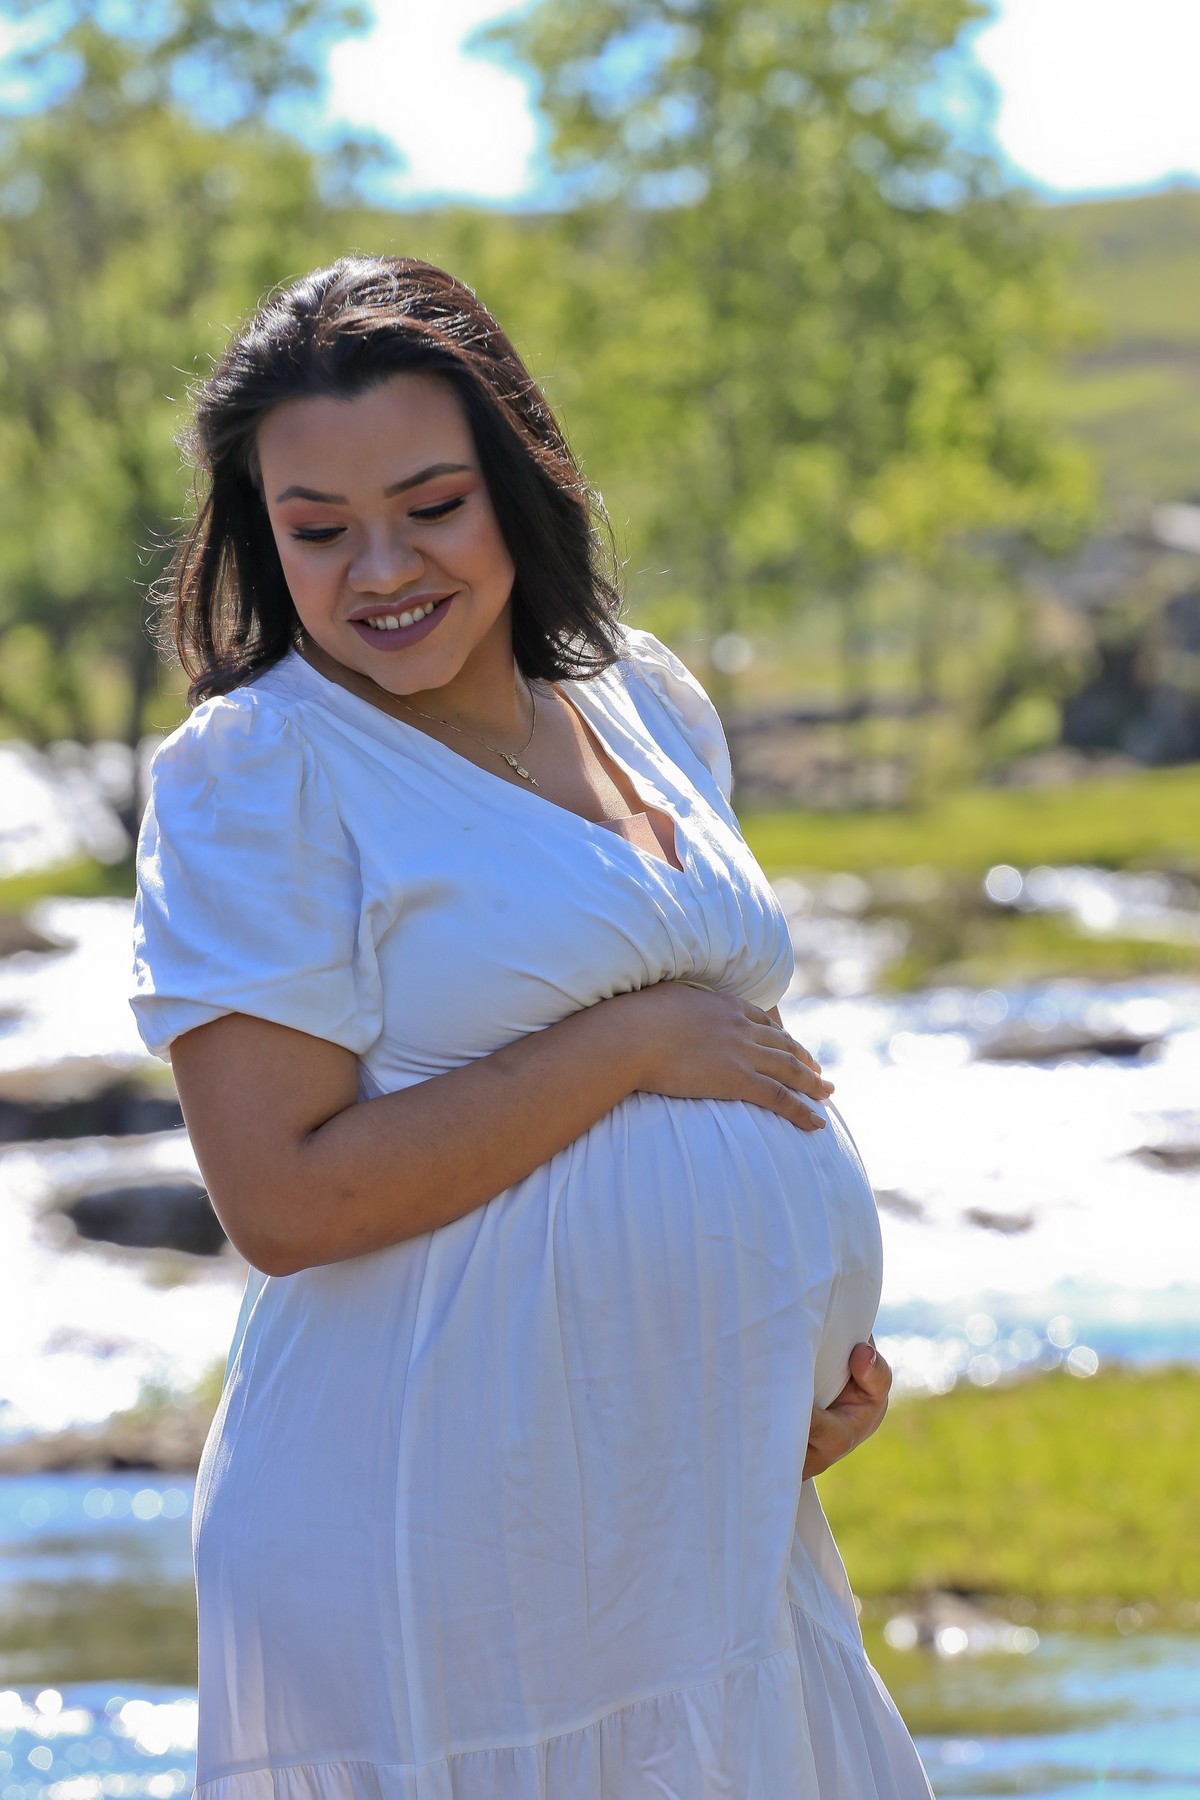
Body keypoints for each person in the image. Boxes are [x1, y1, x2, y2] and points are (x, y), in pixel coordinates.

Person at [130, 256, 933, 1798]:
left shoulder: (643, 700)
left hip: (688, 1518)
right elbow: (283, 1199)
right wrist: (624, 1047)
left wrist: (788, 1353)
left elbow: (743, 1047)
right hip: (443, 1540)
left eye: (431, 506)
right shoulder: (261, 773)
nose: (382, 569)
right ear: (262, 534)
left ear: (520, 480)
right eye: (318, 529)